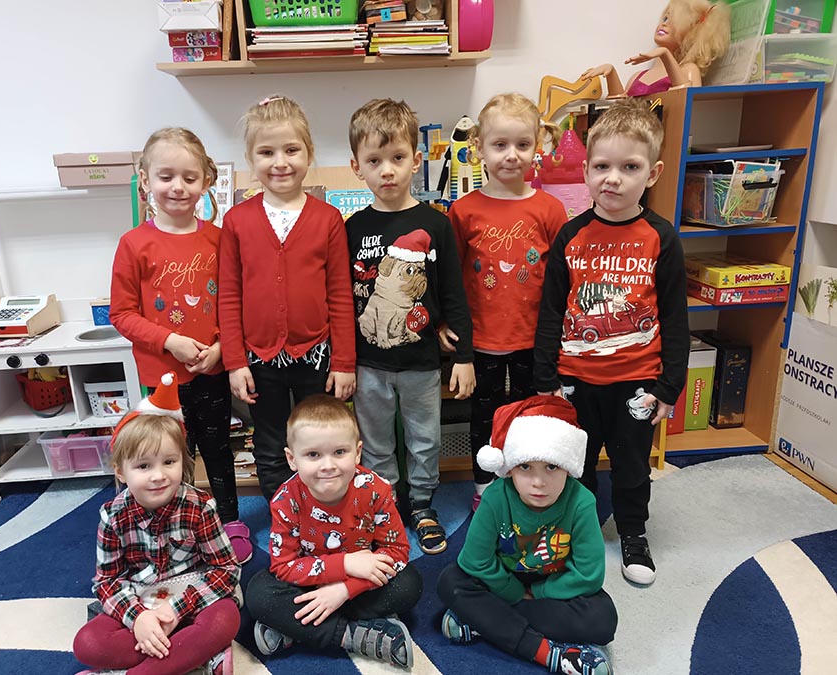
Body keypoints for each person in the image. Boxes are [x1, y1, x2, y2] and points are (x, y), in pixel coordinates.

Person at [533, 98, 689, 586]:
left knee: (631, 465)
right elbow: (551, 310)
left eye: (630, 167)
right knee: (574, 464)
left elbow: (675, 317)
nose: (613, 179)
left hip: (636, 383)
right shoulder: (571, 236)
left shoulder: (662, 238)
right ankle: (574, 530)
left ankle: (633, 531)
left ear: (653, 173)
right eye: (601, 166)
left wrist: (670, 386)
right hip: (575, 381)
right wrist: (545, 378)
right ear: (586, 171)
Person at [110, 127, 251, 564]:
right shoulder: (133, 244)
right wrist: (170, 341)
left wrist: (223, 347)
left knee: (217, 448)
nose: (178, 187)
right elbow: (122, 314)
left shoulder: (219, 238)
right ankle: (178, 525)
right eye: (166, 176)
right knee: (170, 456)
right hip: (162, 380)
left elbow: (235, 301)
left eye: (189, 178)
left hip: (211, 371)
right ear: (145, 179)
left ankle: (229, 520)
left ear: (206, 181)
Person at [346, 98, 475, 555]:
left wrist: (463, 355)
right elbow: (341, 298)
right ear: (357, 167)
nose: (387, 170)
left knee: (425, 439)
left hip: (421, 362)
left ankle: (421, 505)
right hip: (368, 363)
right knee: (375, 442)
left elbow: (452, 292)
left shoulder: (436, 225)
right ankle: (384, 507)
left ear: (416, 161)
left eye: (397, 158)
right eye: (374, 161)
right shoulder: (352, 228)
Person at [218, 95, 356, 501]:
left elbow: (340, 294)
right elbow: (229, 295)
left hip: (317, 355)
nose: (280, 162)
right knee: (270, 441)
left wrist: (344, 363)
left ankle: (324, 509)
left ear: (309, 153)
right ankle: (284, 517)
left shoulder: (328, 219)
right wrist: (235, 362)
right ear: (250, 159)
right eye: (267, 152)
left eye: (291, 150)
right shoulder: (236, 221)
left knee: (322, 438)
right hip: (260, 358)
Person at [73, 373, 242, 675]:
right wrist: (139, 618)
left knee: (225, 618)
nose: (158, 475)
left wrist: (176, 611)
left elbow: (226, 570)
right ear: (121, 471)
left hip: (192, 600)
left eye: (169, 462)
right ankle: (194, 658)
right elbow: (106, 582)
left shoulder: (200, 506)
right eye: (143, 466)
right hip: (141, 601)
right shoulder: (113, 516)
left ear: (183, 461)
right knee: (88, 643)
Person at [447, 92, 568, 512]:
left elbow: (562, 279)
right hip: (480, 341)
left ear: (538, 147)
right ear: (478, 148)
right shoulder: (463, 211)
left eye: (522, 144)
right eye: (500, 145)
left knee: (529, 418)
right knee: (483, 417)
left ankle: (526, 485)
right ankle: (484, 488)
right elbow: (451, 278)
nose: (511, 155)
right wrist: (447, 324)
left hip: (533, 341)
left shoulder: (550, 209)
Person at [437, 395, 617, 675]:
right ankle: (544, 651)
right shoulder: (495, 497)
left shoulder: (582, 502)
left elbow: (588, 575)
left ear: (568, 467)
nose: (538, 482)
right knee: (450, 581)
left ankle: (483, 621)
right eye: (525, 466)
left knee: (603, 619)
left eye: (551, 466)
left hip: (553, 585)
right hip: (502, 579)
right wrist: (513, 591)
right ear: (509, 467)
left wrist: (539, 591)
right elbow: (476, 561)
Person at [245, 395, 422, 670]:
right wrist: (345, 564)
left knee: (409, 584)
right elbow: (283, 566)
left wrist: (345, 589)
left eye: (339, 452)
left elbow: (397, 552)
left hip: (361, 579)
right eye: (313, 455)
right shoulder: (285, 500)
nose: (328, 465)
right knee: (258, 593)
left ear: (357, 452)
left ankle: (296, 628)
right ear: (292, 459)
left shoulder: (376, 489)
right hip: (309, 581)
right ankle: (353, 635)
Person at [581, 0, 731, 97]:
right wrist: (611, 73)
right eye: (665, 18)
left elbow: (687, 106)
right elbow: (620, 109)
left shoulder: (688, 70)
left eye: (675, 21)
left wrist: (665, 54)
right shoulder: (637, 76)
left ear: (692, 33)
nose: (664, 24)